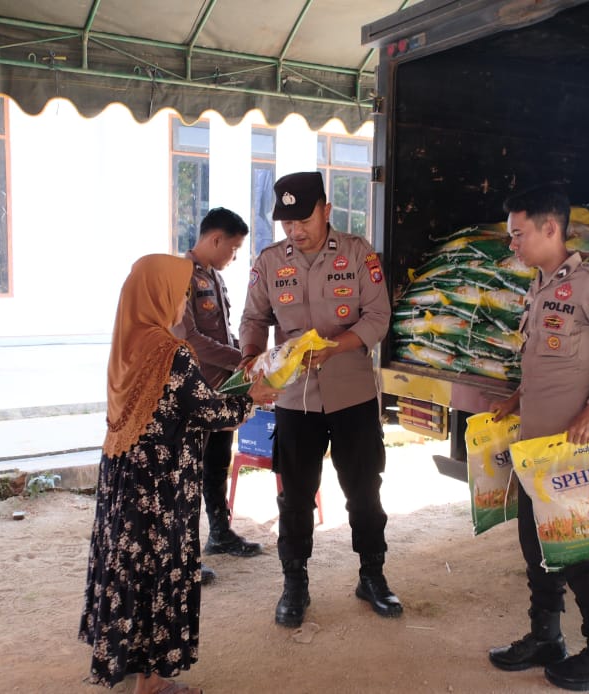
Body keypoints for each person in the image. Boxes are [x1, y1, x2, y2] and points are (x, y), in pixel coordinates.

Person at [79, 254, 281, 694]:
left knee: (130, 566)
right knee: (159, 568)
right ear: (159, 296)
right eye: (179, 295)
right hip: (160, 482)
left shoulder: (127, 341)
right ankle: (152, 682)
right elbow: (208, 412)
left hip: (124, 473)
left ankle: (126, 656)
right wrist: (254, 397)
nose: (182, 305)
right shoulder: (171, 353)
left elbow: (177, 404)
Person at [486, 185, 589, 691]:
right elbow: (544, 362)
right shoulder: (540, 285)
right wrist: (516, 399)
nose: (512, 244)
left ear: (550, 228)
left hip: (571, 451)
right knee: (536, 545)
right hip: (535, 448)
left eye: (518, 234)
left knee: (579, 552)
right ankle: (545, 637)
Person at [239, 171, 402, 628]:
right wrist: (251, 356)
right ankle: (294, 583)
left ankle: (372, 575)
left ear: (326, 211)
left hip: (352, 393)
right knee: (294, 497)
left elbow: (378, 315)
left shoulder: (358, 253)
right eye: (287, 222)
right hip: (295, 399)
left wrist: (336, 347)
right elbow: (253, 318)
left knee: (364, 490)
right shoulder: (270, 262)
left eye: (303, 220)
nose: (295, 230)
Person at [173, 208, 263, 568]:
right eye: (234, 248)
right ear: (215, 239)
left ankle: (220, 533)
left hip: (223, 390)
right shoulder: (181, 275)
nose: (234, 256)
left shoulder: (215, 276)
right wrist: (240, 357)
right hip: (197, 392)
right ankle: (184, 555)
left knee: (216, 465)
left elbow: (223, 331)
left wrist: (246, 357)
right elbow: (190, 339)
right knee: (189, 472)